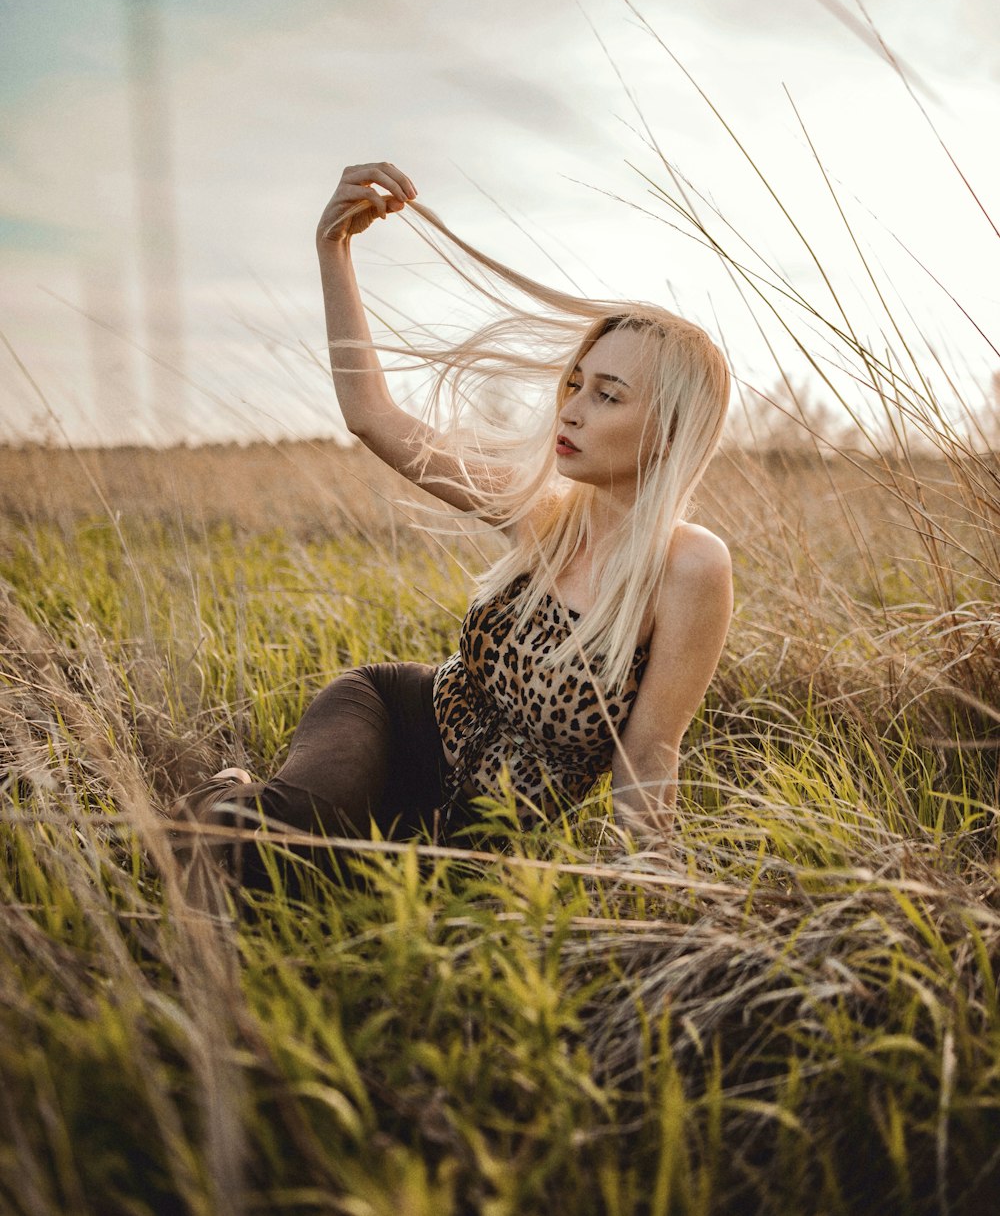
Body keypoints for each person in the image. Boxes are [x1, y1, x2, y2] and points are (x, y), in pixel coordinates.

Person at [171, 161, 733, 889]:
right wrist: (333, 250)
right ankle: (223, 791)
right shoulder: (543, 513)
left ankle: (263, 816)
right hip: (393, 716)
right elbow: (372, 415)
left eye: (608, 395)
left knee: (328, 888)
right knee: (273, 845)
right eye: (573, 384)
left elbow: (647, 757)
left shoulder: (690, 568)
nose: (570, 408)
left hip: (469, 833)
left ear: (670, 429)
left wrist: (661, 913)